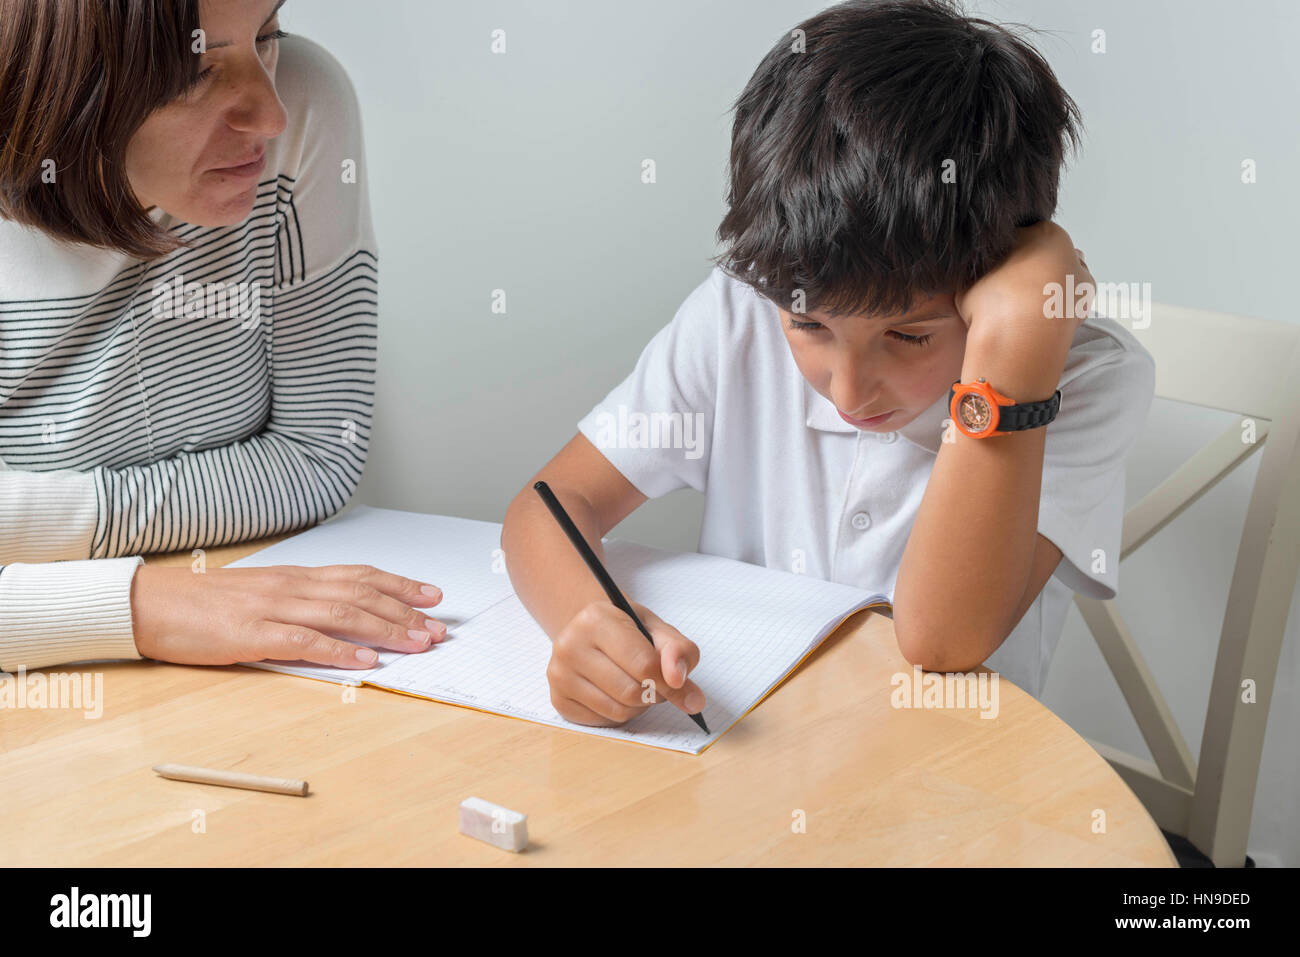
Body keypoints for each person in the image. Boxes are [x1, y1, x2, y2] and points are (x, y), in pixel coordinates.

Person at [500, 0, 1156, 727]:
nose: (849, 390)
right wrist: (587, 618)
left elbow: (939, 641)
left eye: (907, 337)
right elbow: (552, 502)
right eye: (809, 323)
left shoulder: (1079, 378)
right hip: (747, 753)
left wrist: (1011, 354)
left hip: (951, 787)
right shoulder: (740, 314)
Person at [0, 0, 445, 673]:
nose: (270, 115)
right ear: (52, 80)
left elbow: (319, 455)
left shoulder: (304, 101)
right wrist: (144, 606)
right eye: (193, 69)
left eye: (267, 34)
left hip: (244, 636)